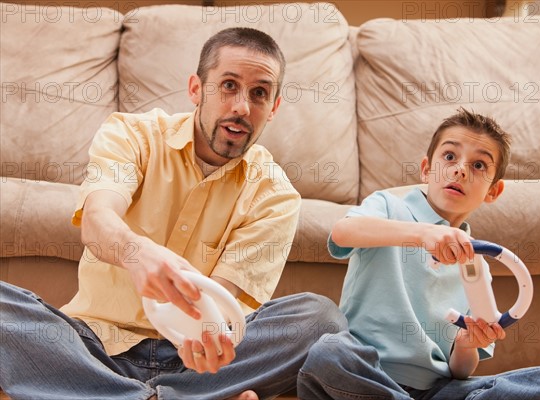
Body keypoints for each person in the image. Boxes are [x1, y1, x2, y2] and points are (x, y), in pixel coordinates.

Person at [0, 27, 345, 400]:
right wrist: (138, 254)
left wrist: (208, 335)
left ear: (273, 108)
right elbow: (98, 220)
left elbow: (218, 308)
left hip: (195, 362)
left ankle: (118, 394)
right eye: (228, 85)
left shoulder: (276, 195)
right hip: (92, 347)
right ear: (196, 89)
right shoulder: (131, 135)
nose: (242, 107)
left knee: (321, 320)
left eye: (259, 93)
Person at [297, 108, 540, 399]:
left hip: (434, 390)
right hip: (365, 372)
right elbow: (343, 232)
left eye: (479, 165)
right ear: (427, 169)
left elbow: (459, 370)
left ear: (493, 191)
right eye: (450, 157)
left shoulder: (477, 264)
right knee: (328, 354)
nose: (460, 169)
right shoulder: (389, 207)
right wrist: (425, 234)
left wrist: (466, 344)